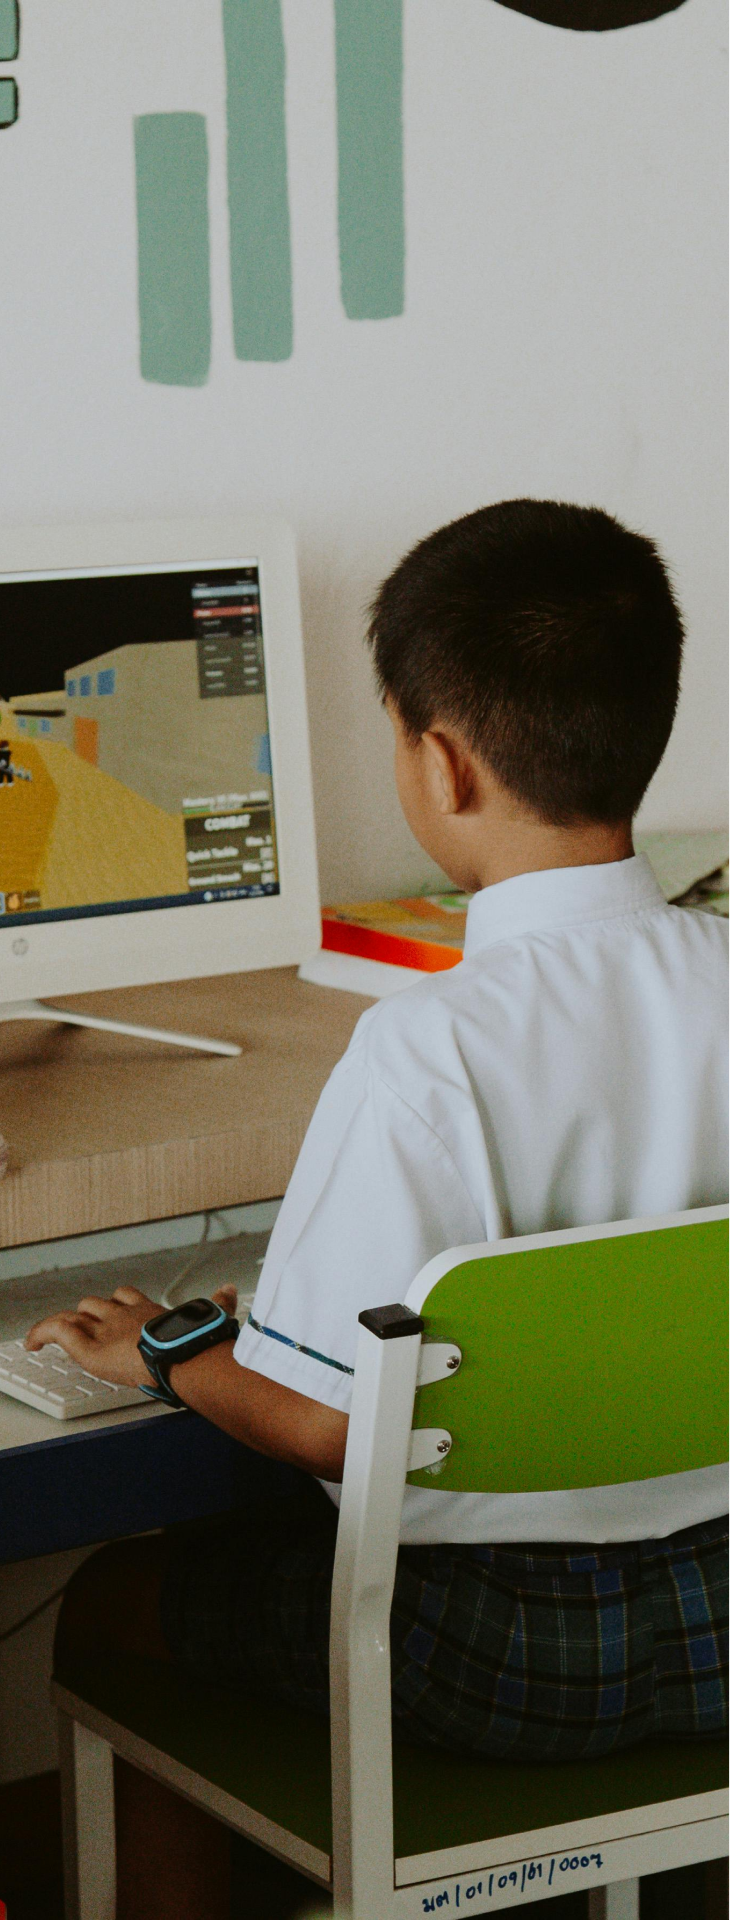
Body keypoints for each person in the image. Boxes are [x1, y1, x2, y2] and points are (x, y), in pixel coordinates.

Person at [30, 500, 730, 1920]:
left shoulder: (431, 1048)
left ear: (439, 762)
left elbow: (333, 1424)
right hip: (722, 1617)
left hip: (510, 1655)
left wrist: (176, 1350)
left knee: (111, 1594)